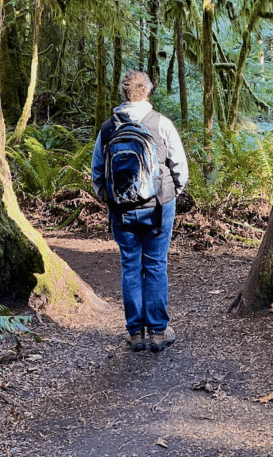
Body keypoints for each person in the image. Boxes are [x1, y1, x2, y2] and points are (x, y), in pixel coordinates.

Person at [92, 70, 188, 352]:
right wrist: (169, 195)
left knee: (130, 265)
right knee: (156, 264)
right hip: (158, 206)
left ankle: (135, 333)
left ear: (124, 94)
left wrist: (108, 198)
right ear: (147, 91)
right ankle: (158, 332)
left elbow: (98, 170)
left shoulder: (109, 128)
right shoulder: (161, 123)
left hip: (121, 209)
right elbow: (180, 168)